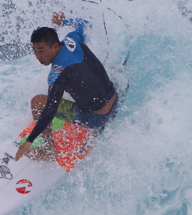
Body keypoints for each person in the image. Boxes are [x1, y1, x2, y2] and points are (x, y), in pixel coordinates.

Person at [14, 11, 117, 162]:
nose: (38, 57)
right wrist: (64, 21)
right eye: (35, 51)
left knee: (37, 102)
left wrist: (30, 140)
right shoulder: (72, 39)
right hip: (115, 98)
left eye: (41, 51)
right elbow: (85, 24)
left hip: (96, 118)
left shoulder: (57, 72)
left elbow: (50, 108)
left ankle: (49, 150)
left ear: (55, 46)